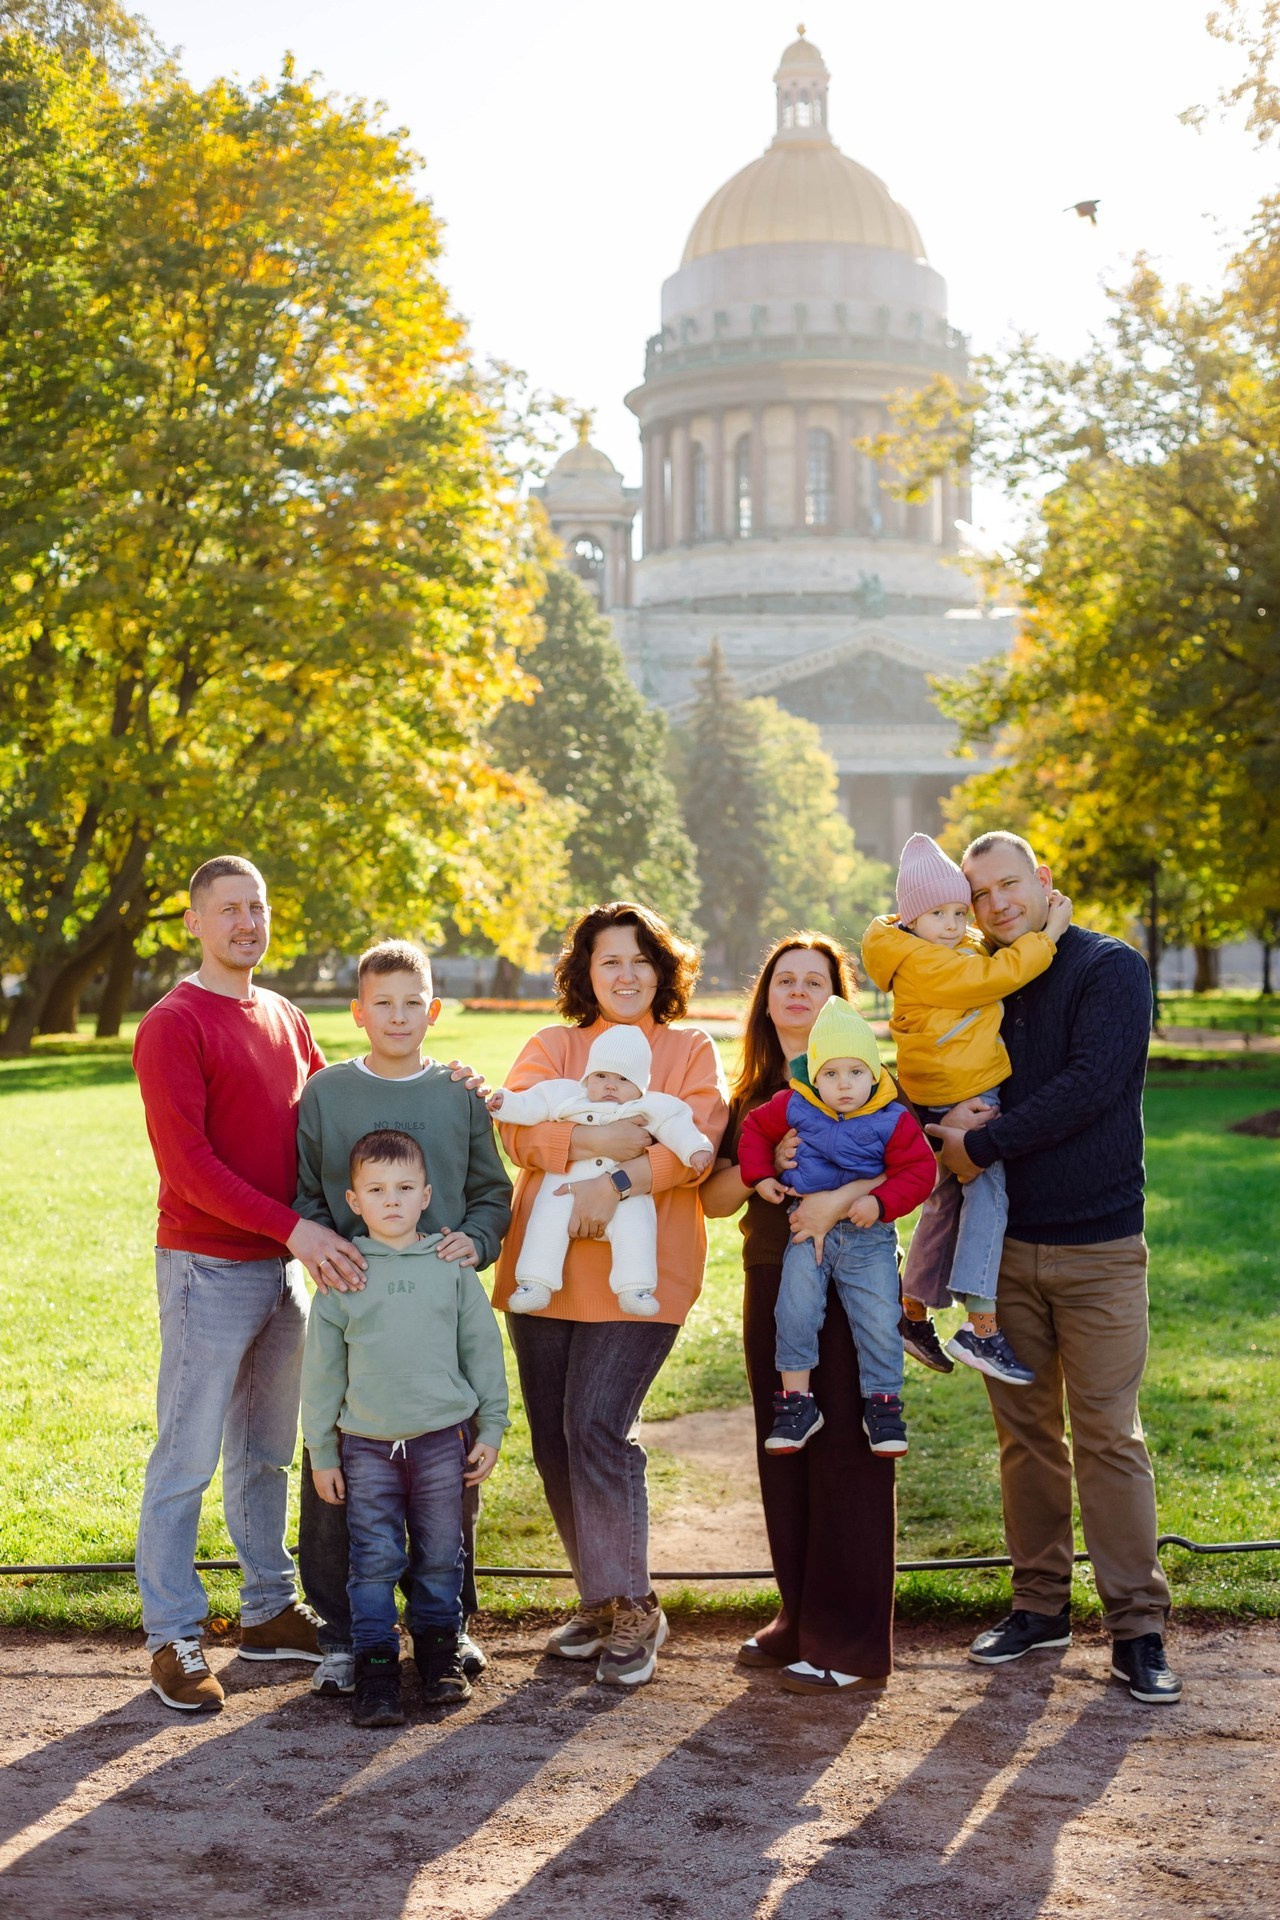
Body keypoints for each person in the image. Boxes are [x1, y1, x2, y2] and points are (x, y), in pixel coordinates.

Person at [926, 830, 1180, 1705]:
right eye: (979, 893)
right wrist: (939, 1123)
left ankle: (1138, 1627)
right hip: (999, 1252)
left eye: (1009, 885)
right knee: (1026, 1438)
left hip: (1101, 1246)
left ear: (1041, 880)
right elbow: (934, 1060)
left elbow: (1091, 1083)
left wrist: (982, 1143)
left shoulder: (1110, 968)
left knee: (1108, 1435)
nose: (997, 904)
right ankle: (1039, 1607)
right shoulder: (980, 976)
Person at [132, 855, 365, 1714]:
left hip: (280, 1268)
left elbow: (330, 1119)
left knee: (267, 1452)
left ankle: (267, 1608)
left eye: (257, 907)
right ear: (195, 923)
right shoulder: (173, 1023)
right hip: (207, 1268)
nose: (246, 922)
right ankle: (172, 1635)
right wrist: (296, 1230)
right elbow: (189, 1168)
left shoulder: (284, 1015)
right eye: (228, 909)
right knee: (186, 1458)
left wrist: (433, 1084)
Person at [492, 901, 728, 1688]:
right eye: (609, 962)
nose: (626, 975)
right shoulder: (553, 1045)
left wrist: (613, 1183)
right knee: (555, 1442)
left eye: (639, 960)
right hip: (545, 1272)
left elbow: (692, 1149)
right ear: (585, 973)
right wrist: (597, 1139)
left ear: (662, 970)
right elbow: (517, 1132)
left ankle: (635, 1604)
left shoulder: (688, 1050)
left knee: (596, 1425)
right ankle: (597, 1598)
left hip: (642, 1274)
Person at [292, 939, 512, 1699]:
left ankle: (447, 1627)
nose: (397, 1016)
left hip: (438, 1299)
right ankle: (344, 1635)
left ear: (433, 1010)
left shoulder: (457, 1093)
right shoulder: (326, 1093)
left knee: (447, 1476)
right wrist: (327, 1251)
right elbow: (305, 1193)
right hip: (357, 1295)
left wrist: (475, 1240)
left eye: (411, 1002)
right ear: (358, 1011)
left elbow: (492, 1192)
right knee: (341, 1469)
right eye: (381, 1003)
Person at [701, 934, 900, 1694]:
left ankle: (848, 1644)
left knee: (848, 1449)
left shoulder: (866, 1081)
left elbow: (904, 1168)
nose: (797, 992)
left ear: (836, 1000)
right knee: (786, 1448)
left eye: (815, 981)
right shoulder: (752, 1093)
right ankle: (800, 1617)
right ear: (766, 998)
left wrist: (832, 1200)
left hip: (850, 1282)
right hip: (771, 1274)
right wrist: (768, 1165)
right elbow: (714, 1199)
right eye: (784, 979)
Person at [302, 1129, 509, 1728]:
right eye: (376, 1190)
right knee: (373, 1559)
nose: (391, 1199)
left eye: (404, 1188)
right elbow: (322, 1374)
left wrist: (491, 1427)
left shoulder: (451, 1268)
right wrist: (322, 1452)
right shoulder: (344, 1274)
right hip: (366, 1446)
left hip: (443, 1439)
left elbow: (483, 1351)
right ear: (354, 1200)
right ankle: (376, 1670)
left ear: (426, 1196)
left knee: (442, 1554)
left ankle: (439, 1657)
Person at [862, 833, 1073, 1385]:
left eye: (961, 911)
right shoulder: (926, 963)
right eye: (940, 914)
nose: (956, 925)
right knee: (988, 1194)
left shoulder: (931, 946)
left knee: (946, 1199)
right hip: (964, 1088)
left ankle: (912, 1309)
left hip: (951, 1082)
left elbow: (983, 953)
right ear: (912, 919)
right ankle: (982, 1326)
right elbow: (996, 977)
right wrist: (1049, 934)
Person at [736, 996, 935, 1457]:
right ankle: (796, 1403)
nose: (844, 1084)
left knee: (879, 1318)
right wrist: (761, 1175)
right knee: (795, 1309)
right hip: (807, 1231)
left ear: (874, 1074)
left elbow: (920, 1171)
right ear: (813, 1076)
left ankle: (884, 1405)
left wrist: (879, 1202)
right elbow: (754, 1130)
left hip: (869, 1237)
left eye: (855, 1072)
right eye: (830, 1074)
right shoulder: (795, 1105)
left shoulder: (891, 1118)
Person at [488, 1024, 714, 1316]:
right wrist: (505, 1103)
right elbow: (532, 1104)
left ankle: (635, 1287)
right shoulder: (567, 1095)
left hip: (626, 1194)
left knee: (637, 1228)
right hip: (564, 1185)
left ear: (641, 1085)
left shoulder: (651, 1106)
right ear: (588, 1077)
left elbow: (678, 1126)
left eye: (623, 1079)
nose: (610, 1086)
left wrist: (695, 1149)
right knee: (546, 1220)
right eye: (601, 1076)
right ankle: (534, 1282)